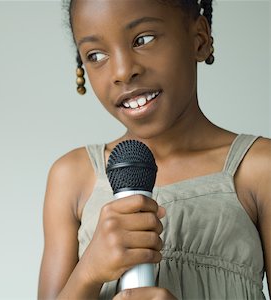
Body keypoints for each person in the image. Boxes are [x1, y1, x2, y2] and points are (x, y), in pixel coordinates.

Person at [37, 0, 271, 299]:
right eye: (95, 55)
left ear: (199, 38)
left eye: (143, 39)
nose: (122, 71)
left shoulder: (259, 168)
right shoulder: (71, 177)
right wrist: (88, 272)